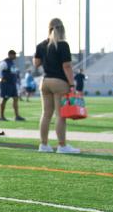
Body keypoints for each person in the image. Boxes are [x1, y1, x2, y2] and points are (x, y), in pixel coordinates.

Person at [33, 18, 79, 154]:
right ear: (62, 29)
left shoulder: (41, 45)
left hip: (45, 81)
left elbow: (36, 63)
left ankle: (44, 144)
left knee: (46, 114)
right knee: (60, 115)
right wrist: (72, 84)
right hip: (59, 82)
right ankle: (62, 145)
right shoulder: (63, 45)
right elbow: (67, 66)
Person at [0, 50, 25, 122]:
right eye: (13, 55)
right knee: (4, 99)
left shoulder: (12, 63)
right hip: (6, 84)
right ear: (9, 55)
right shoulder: (5, 62)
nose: (15, 56)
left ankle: (17, 116)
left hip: (12, 84)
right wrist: (2, 78)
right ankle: (1, 116)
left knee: (15, 98)